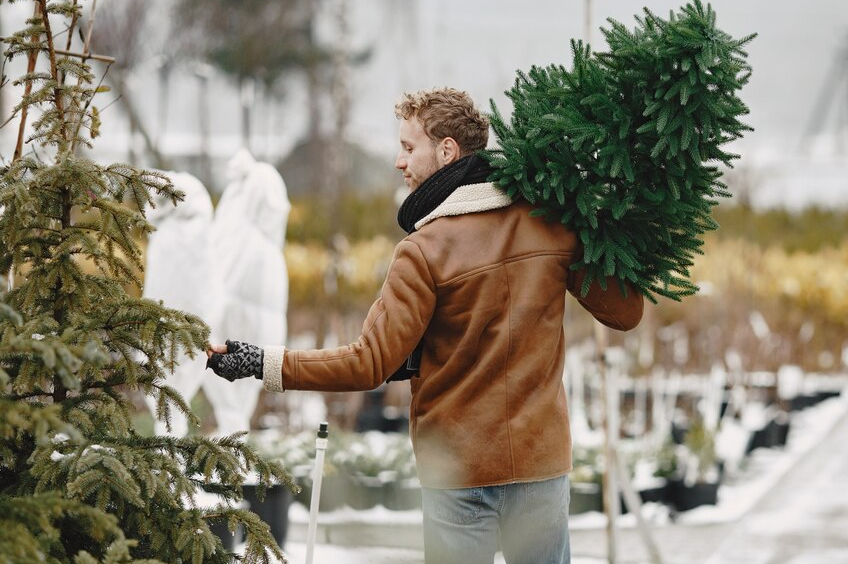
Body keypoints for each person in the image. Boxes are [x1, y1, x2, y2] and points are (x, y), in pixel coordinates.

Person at [206, 87, 644, 564]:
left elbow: (367, 363)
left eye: (408, 147)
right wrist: (597, 219)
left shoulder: (424, 250)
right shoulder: (551, 222)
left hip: (459, 475)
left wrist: (262, 362)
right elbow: (626, 313)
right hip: (540, 467)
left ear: (447, 150)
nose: (399, 161)